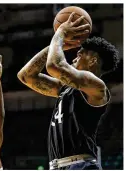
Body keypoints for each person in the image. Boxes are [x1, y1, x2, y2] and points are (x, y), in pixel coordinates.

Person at [17, 12, 119, 170]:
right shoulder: (65, 88)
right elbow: (25, 76)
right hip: (58, 166)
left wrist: (61, 33)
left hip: (81, 165)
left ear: (93, 60)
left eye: (83, 51)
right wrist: (59, 44)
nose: (77, 52)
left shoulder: (97, 86)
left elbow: (54, 66)